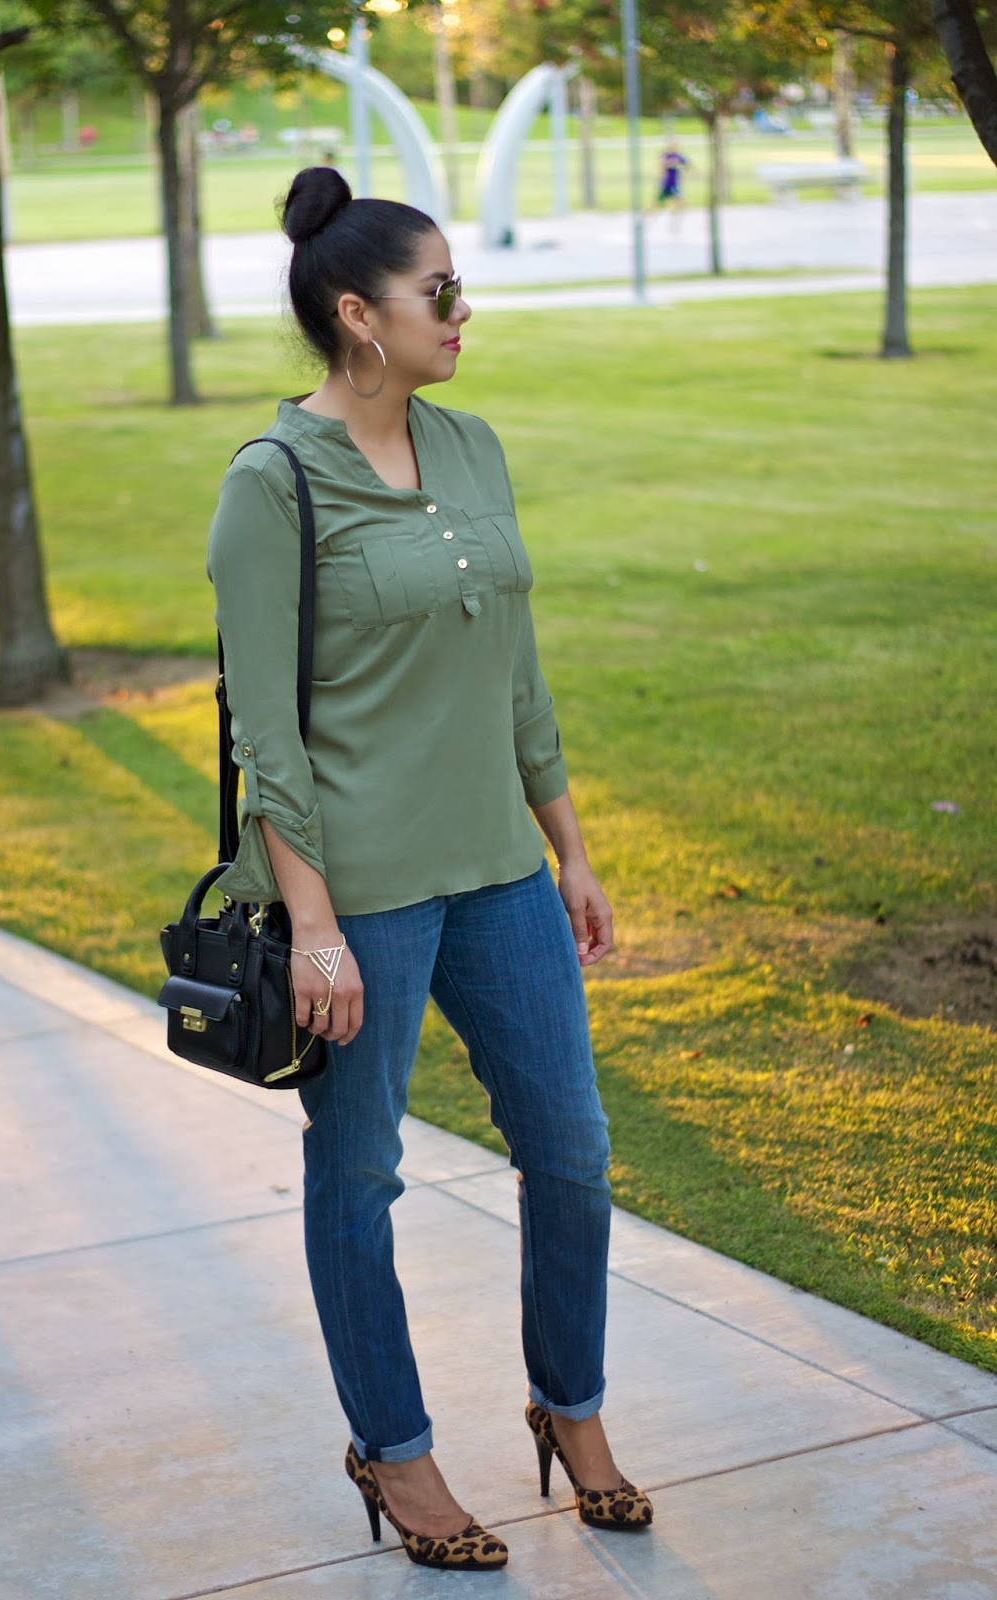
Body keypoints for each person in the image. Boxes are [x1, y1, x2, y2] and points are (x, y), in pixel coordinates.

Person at [206, 165, 653, 1573]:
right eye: (438, 291)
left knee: (571, 1150)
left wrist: (567, 846)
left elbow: (513, 669)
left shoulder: (470, 448)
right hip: (363, 897)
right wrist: (314, 925)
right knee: (358, 1176)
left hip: (498, 875)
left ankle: (568, 1408)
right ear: (358, 315)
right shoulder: (272, 485)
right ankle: (394, 1452)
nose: (462, 311)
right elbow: (266, 736)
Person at [655, 142, 689, 216]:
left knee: (679, 199)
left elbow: (686, 165)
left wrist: (682, 168)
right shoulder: (666, 156)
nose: (674, 148)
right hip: (666, 183)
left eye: (675, 146)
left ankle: (674, 213)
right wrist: (670, 163)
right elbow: (661, 165)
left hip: (674, 183)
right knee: (659, 203)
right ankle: (648, 214)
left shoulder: (679, 156)